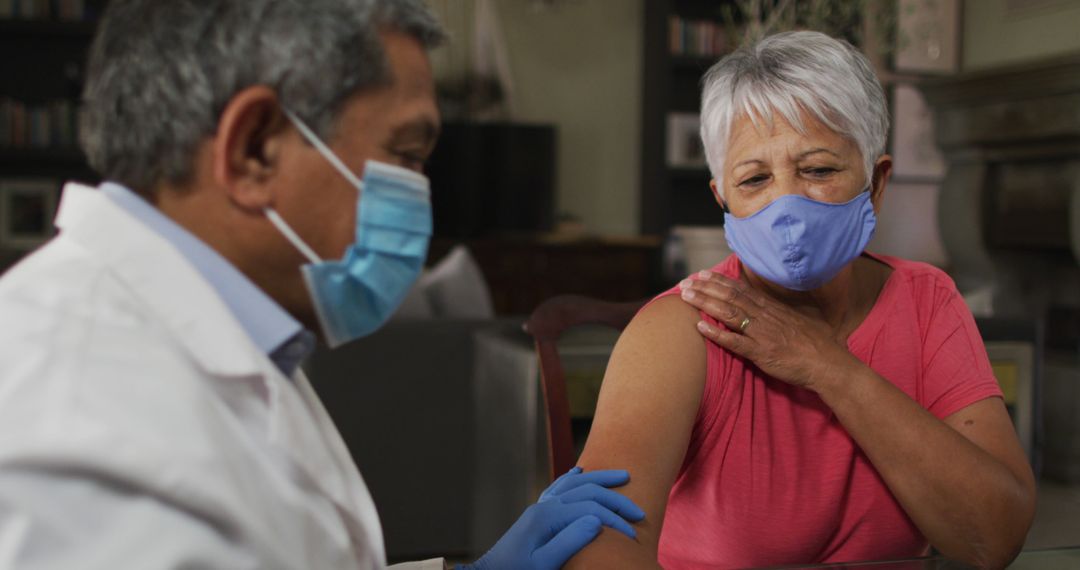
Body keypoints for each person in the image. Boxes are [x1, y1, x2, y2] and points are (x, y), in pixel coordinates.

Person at [0, 1, 645, 568]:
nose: (421, 197)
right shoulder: (86, 415)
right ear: (254, 150)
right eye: (406, 155)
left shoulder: (232, 332)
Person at [565, 31, 1036, 569]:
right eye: (755, 179)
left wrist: (828, 367)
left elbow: (994, 537)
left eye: (818, 170)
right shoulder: (680, 331)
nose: (785, 204)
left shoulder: (927, 301)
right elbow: (599, 545)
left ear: (876, 182)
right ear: (723, 198)